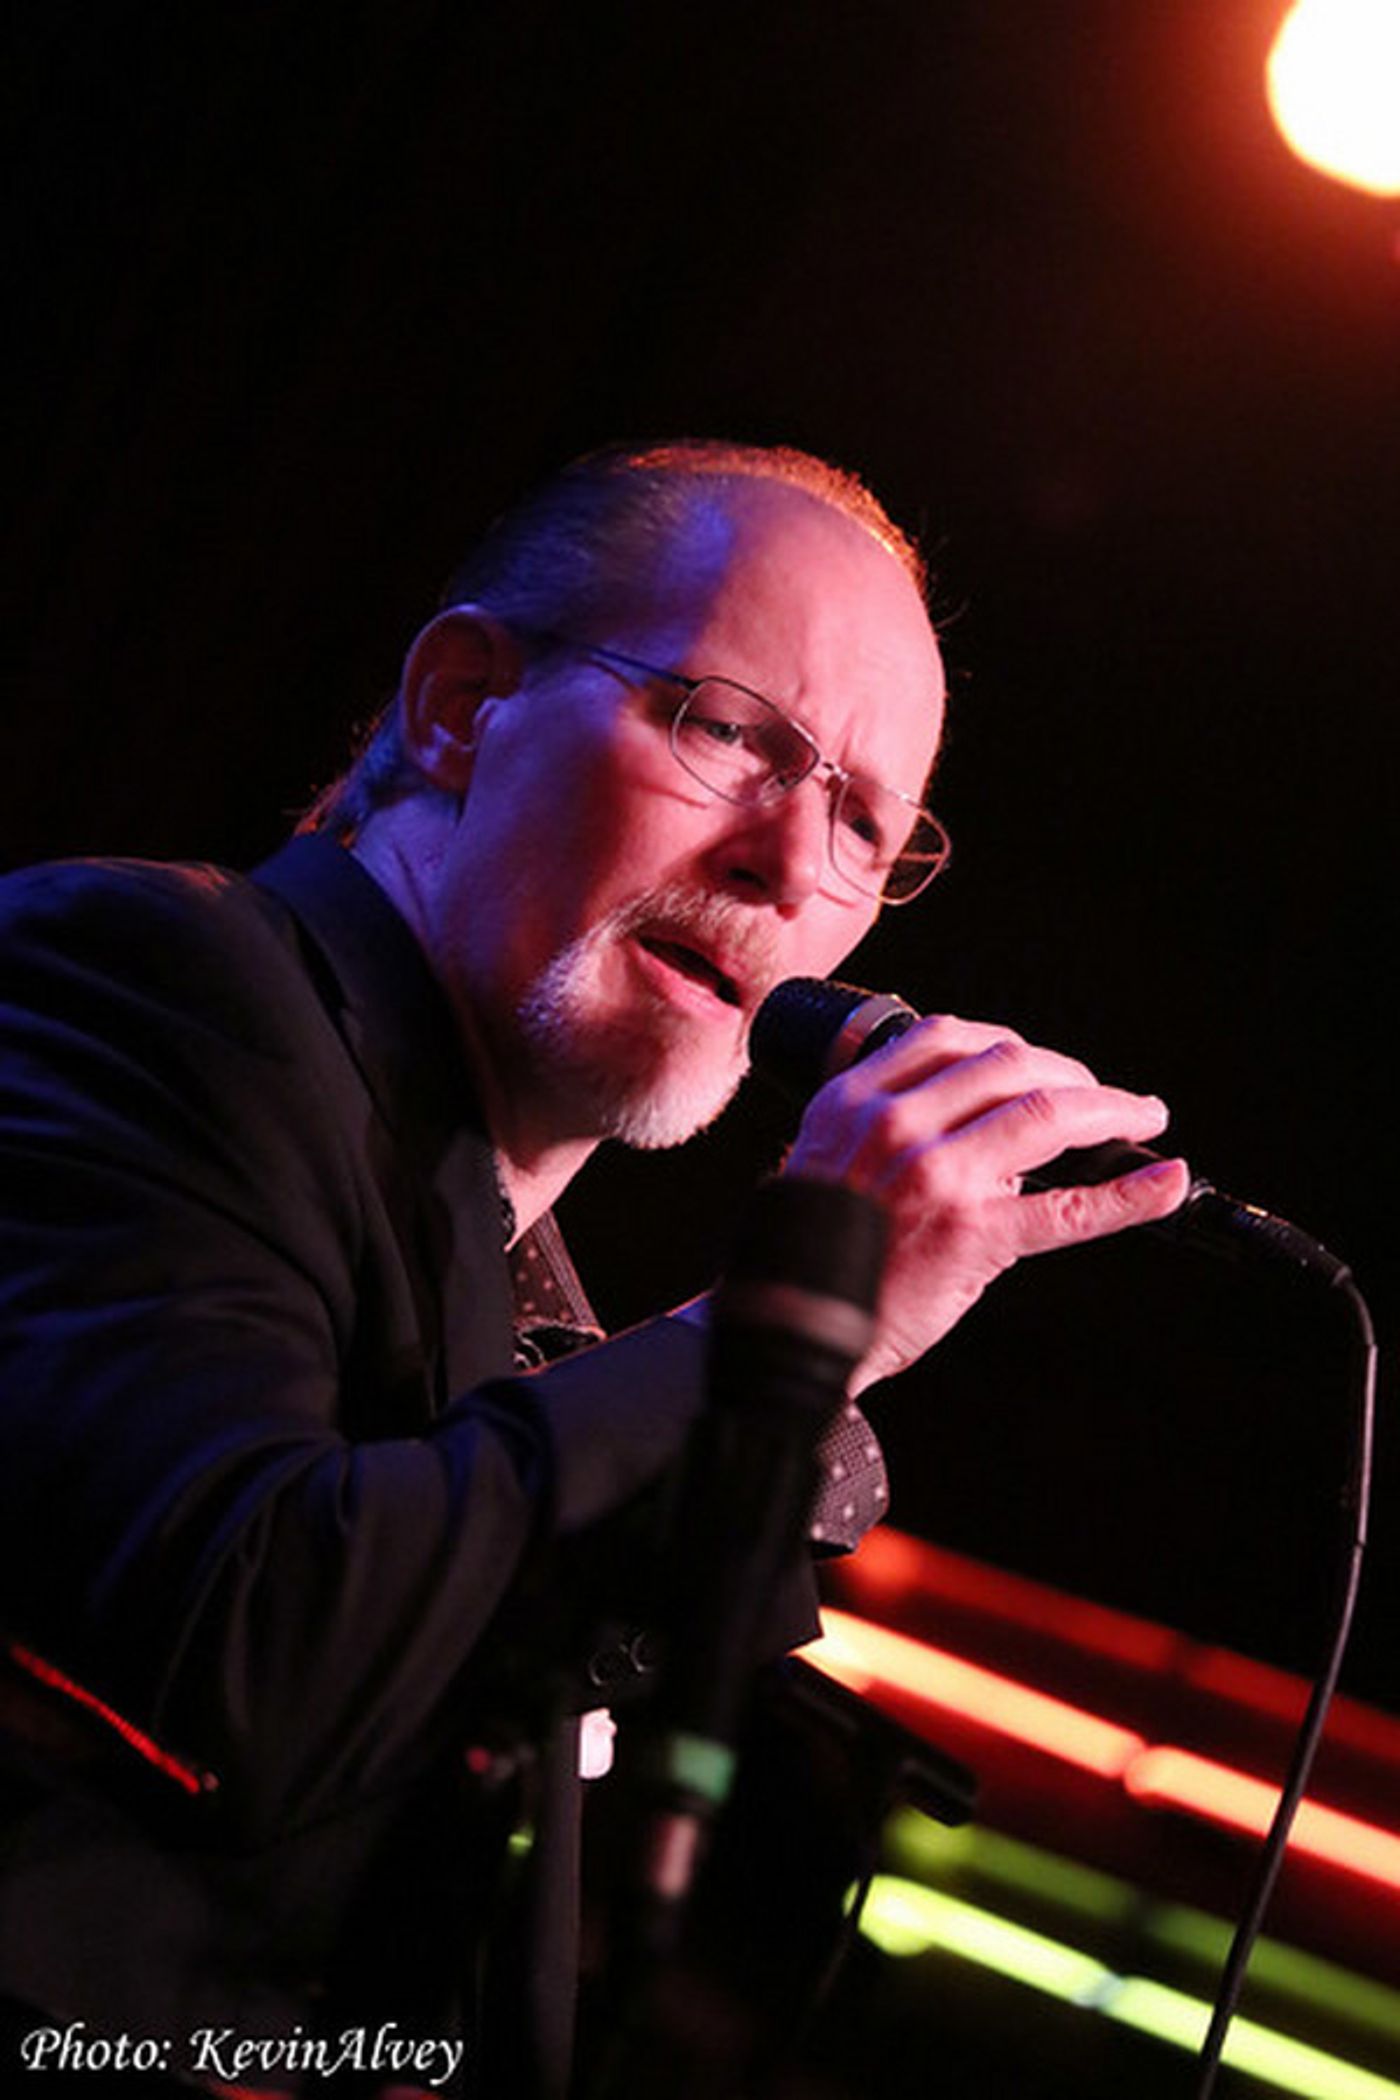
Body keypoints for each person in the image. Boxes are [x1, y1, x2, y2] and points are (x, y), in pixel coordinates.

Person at [0, 440, 1188, 2096]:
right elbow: (241, 1655)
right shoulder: (151, 983)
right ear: (461, 701)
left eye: (865, 820)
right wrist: (789, 1318)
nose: (790, 867)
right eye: (730, 736)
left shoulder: (509, 1276)